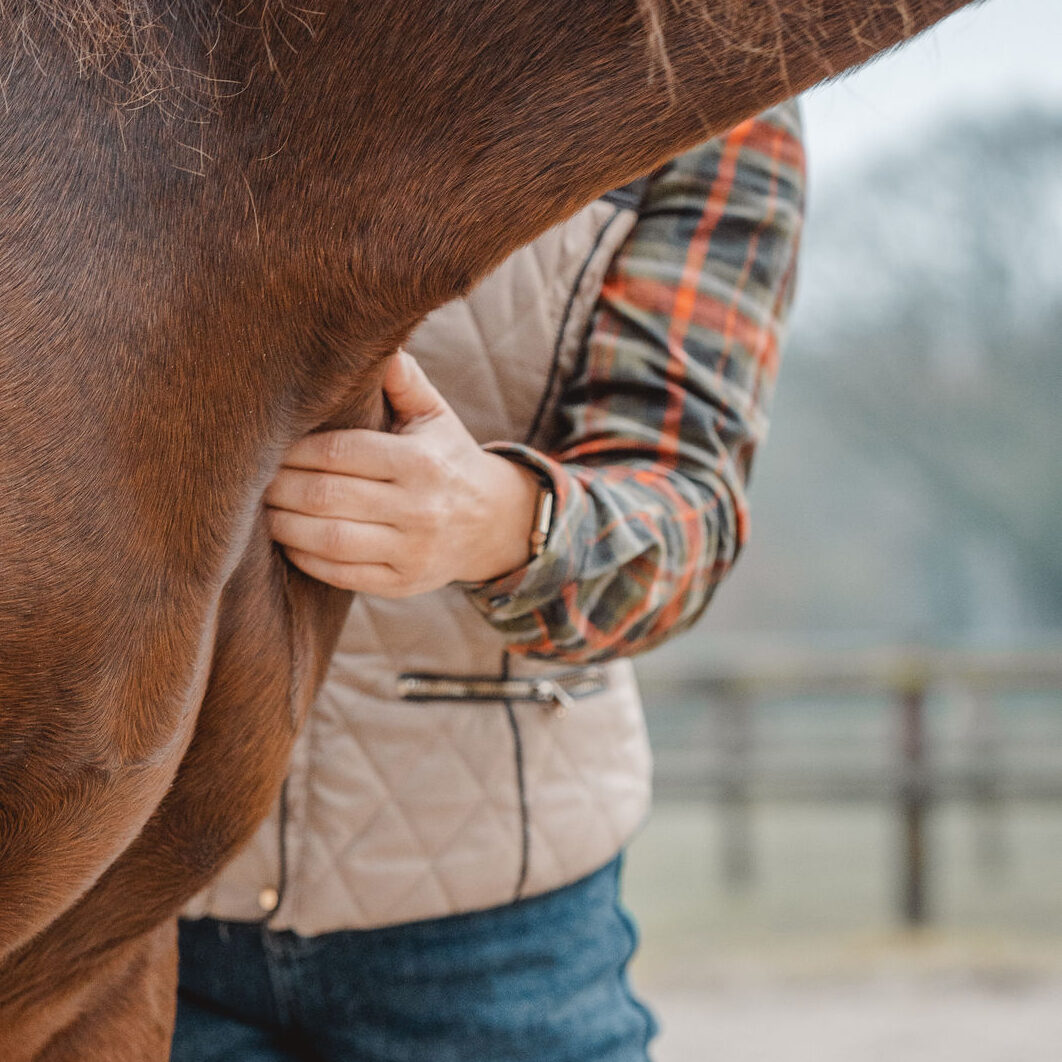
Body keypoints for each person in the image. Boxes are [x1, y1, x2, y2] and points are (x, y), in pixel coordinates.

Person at [172, 101, 805, 1062]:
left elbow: (690, 514)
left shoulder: (708, 64)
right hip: (127, 896)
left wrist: (499, 522)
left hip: (497, 937)